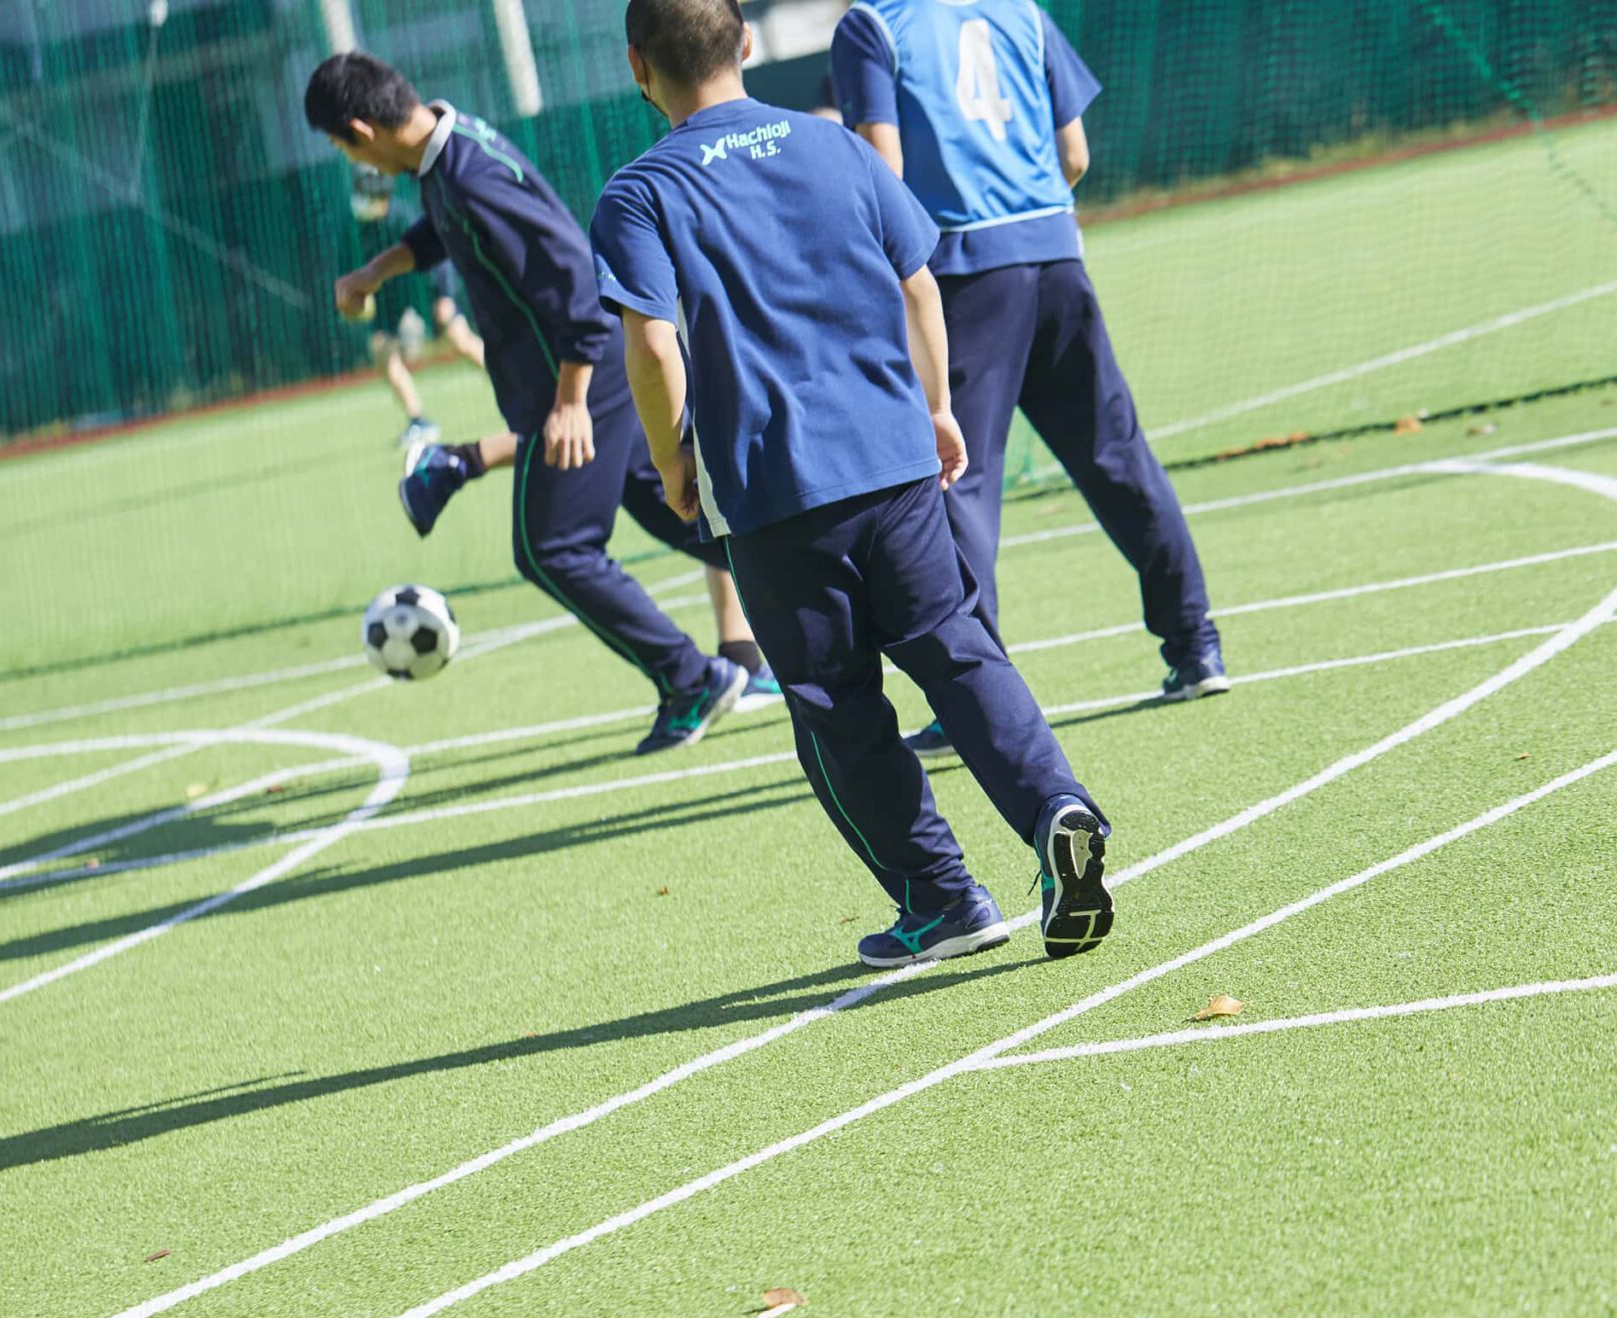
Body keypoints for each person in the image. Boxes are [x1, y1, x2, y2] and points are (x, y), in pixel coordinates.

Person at [592, 0, 1114, 968]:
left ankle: (943, 899)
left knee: (835, 709)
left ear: (638, 68)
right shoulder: (833, 147)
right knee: (957, 652)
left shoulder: (639, 193)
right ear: (744, 43)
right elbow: (918, 279)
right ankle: (1056, 807)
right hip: (894, 459)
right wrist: (937, 408)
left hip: (773, 489)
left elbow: (651, 345)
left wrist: (672, 460)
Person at [306, 51, 767, 754]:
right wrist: (376, 270)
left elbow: (574, 284)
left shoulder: (470, 177)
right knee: (681, 514)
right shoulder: (446, 154)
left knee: (551, 548)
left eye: (341, 146)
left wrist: (570, 401)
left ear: (362, 131)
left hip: (583, 376)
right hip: (585, 374)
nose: (348, 159)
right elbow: (440, 232)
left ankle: (691, 678)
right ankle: (828, 603)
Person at [829, 0, 1229, 758]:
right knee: (1117, 454)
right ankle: (1195, 643)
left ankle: (975, 703)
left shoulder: (871, 26)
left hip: (966, 278)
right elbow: (1072, 153)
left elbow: (885, 177)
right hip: (1056, 256)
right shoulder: (1020, 12)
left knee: (957, 485)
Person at [350, 162, 488, 449]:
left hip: (426, 285)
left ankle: (515, 383)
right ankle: (419, 420)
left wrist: (444, 298)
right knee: (380, 350)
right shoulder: (356, 227)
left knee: (458, 338)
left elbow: (440, 255)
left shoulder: (404, 218)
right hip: (392, 294)